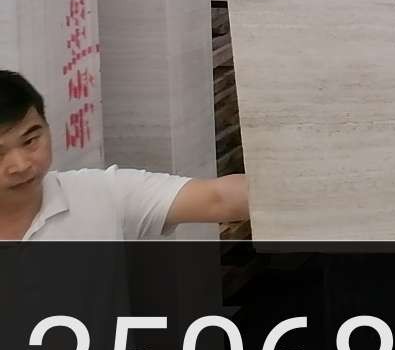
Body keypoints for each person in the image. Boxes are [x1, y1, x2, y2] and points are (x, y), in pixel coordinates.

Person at [0, 70, 248, 241]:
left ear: (47, 127)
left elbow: (218, 198)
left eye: (30, 141)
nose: (20, 165)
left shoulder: (100, 194)